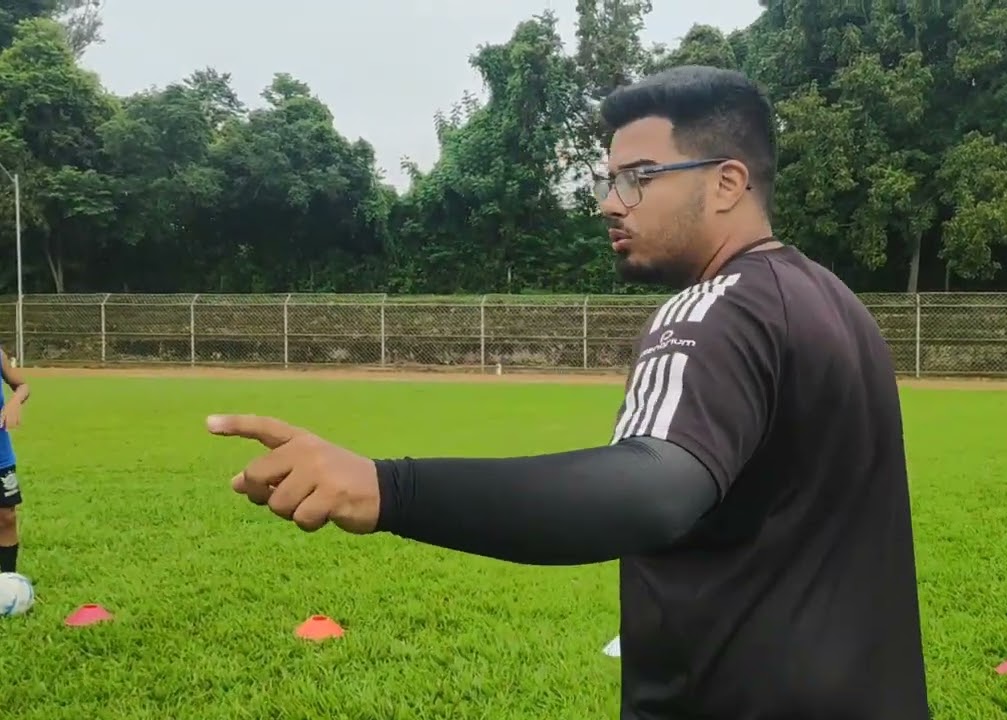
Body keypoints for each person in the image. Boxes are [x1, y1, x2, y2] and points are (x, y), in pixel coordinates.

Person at [208, 65, 930, 719]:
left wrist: (384, 488)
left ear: (727, 183)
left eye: (639, 177)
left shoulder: (714, 306)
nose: (610, 204)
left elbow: (652, 489)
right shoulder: (834, 304)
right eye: (607, 179)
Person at [0, 346, 31, 574]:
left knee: (7, 517)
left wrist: (14, 401)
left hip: (1, 455)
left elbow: (22, 385)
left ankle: (8, 580)